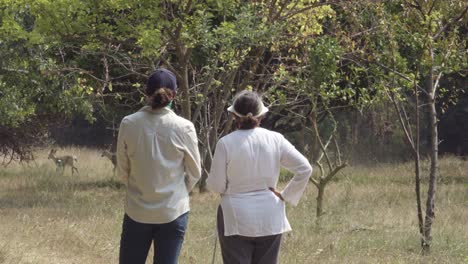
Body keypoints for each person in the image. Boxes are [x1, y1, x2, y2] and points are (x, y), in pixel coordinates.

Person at [206, 90, 313, 264]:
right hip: (270, 215)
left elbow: (217, 186)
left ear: (233, 115)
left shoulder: (225, 143)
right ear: (262, 115)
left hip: (235, 216)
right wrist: (286, 195)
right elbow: (305, 168)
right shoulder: (276, 139)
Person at [117, 68, 201, 264]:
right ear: (174, 95)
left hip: (137, 210)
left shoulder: (129, 123)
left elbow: (122, 171)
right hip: (173, 211)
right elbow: (195, 173)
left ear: (146, 94)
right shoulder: (184, 127)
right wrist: (178, 191)